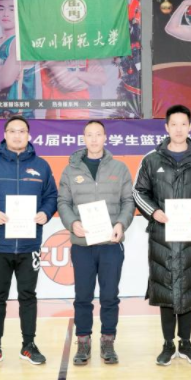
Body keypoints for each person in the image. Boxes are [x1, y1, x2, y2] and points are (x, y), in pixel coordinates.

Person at [0, 115, 58, 370]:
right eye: (13, 131)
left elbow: (52, 196)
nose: (18, 135)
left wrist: (46, 212)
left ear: (29, 135)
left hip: (30, 246)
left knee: (28, 297)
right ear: (5, 135)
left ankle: (29, 345)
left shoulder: (41, 166)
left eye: (22, 131)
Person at [133, 104, 191, 366]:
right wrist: (154, 212)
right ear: (167, 127)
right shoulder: (151, 160)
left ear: (190, 126)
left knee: (188, 288)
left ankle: (186, 343)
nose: (179, 129)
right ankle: (167, 344)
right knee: (165, 288)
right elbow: (139, 192)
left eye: (184, 124)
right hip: (161, 235)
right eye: (174, 124)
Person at [57, 120, 135, 366]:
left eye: (98, 134)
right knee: (82, 296)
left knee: (110, 296)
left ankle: (108, 341)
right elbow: (63, 202)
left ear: (105, 137)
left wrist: (121, 224)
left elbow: (128, 201)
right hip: (82, 245)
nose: (93, 139)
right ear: (84, 138)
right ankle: (83, 341)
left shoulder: (119, 168)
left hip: (111, 244)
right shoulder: (70, 170)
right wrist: (72, 223)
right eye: (89, 135)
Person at [41, 59, 108, 119]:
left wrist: (76, 74)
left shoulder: (85, 54)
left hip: (83, 112)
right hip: (59, 113)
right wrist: (88, 80)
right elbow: (68, 83)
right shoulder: (51, 53)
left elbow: (102, 78)